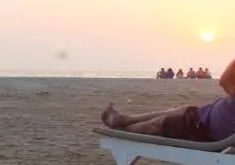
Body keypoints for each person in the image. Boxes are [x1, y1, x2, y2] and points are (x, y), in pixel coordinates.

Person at [100, 58, 235, 141]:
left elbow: (224, 81)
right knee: (182, 110)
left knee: (158, 124)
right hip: (204, 116)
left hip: (202, 128)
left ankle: (124, 130)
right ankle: (125, 120)